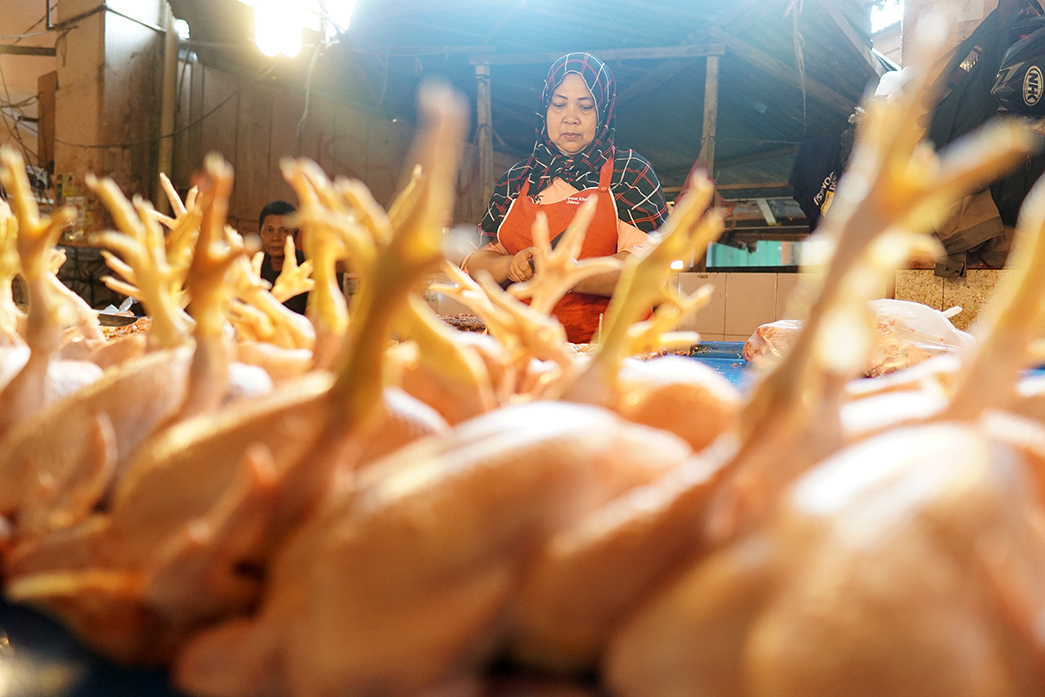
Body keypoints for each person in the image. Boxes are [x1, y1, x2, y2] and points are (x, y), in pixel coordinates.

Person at [464, 52, 667, 343]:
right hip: (524, 351)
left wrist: (570, 276)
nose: (570, 118)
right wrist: (508, 267)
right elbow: (476, 260)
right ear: (544, 109)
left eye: (585, 107)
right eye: (559, 105)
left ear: (604, 112)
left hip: (613, 354)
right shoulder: (517, 179)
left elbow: (649, 268)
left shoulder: (629, 173)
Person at [258, 199, 308, 315]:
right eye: (269, 230)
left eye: (284, 231)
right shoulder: (253, 266)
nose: (275, 238)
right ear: (260, 232)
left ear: (295, 235)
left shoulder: (307, 267)